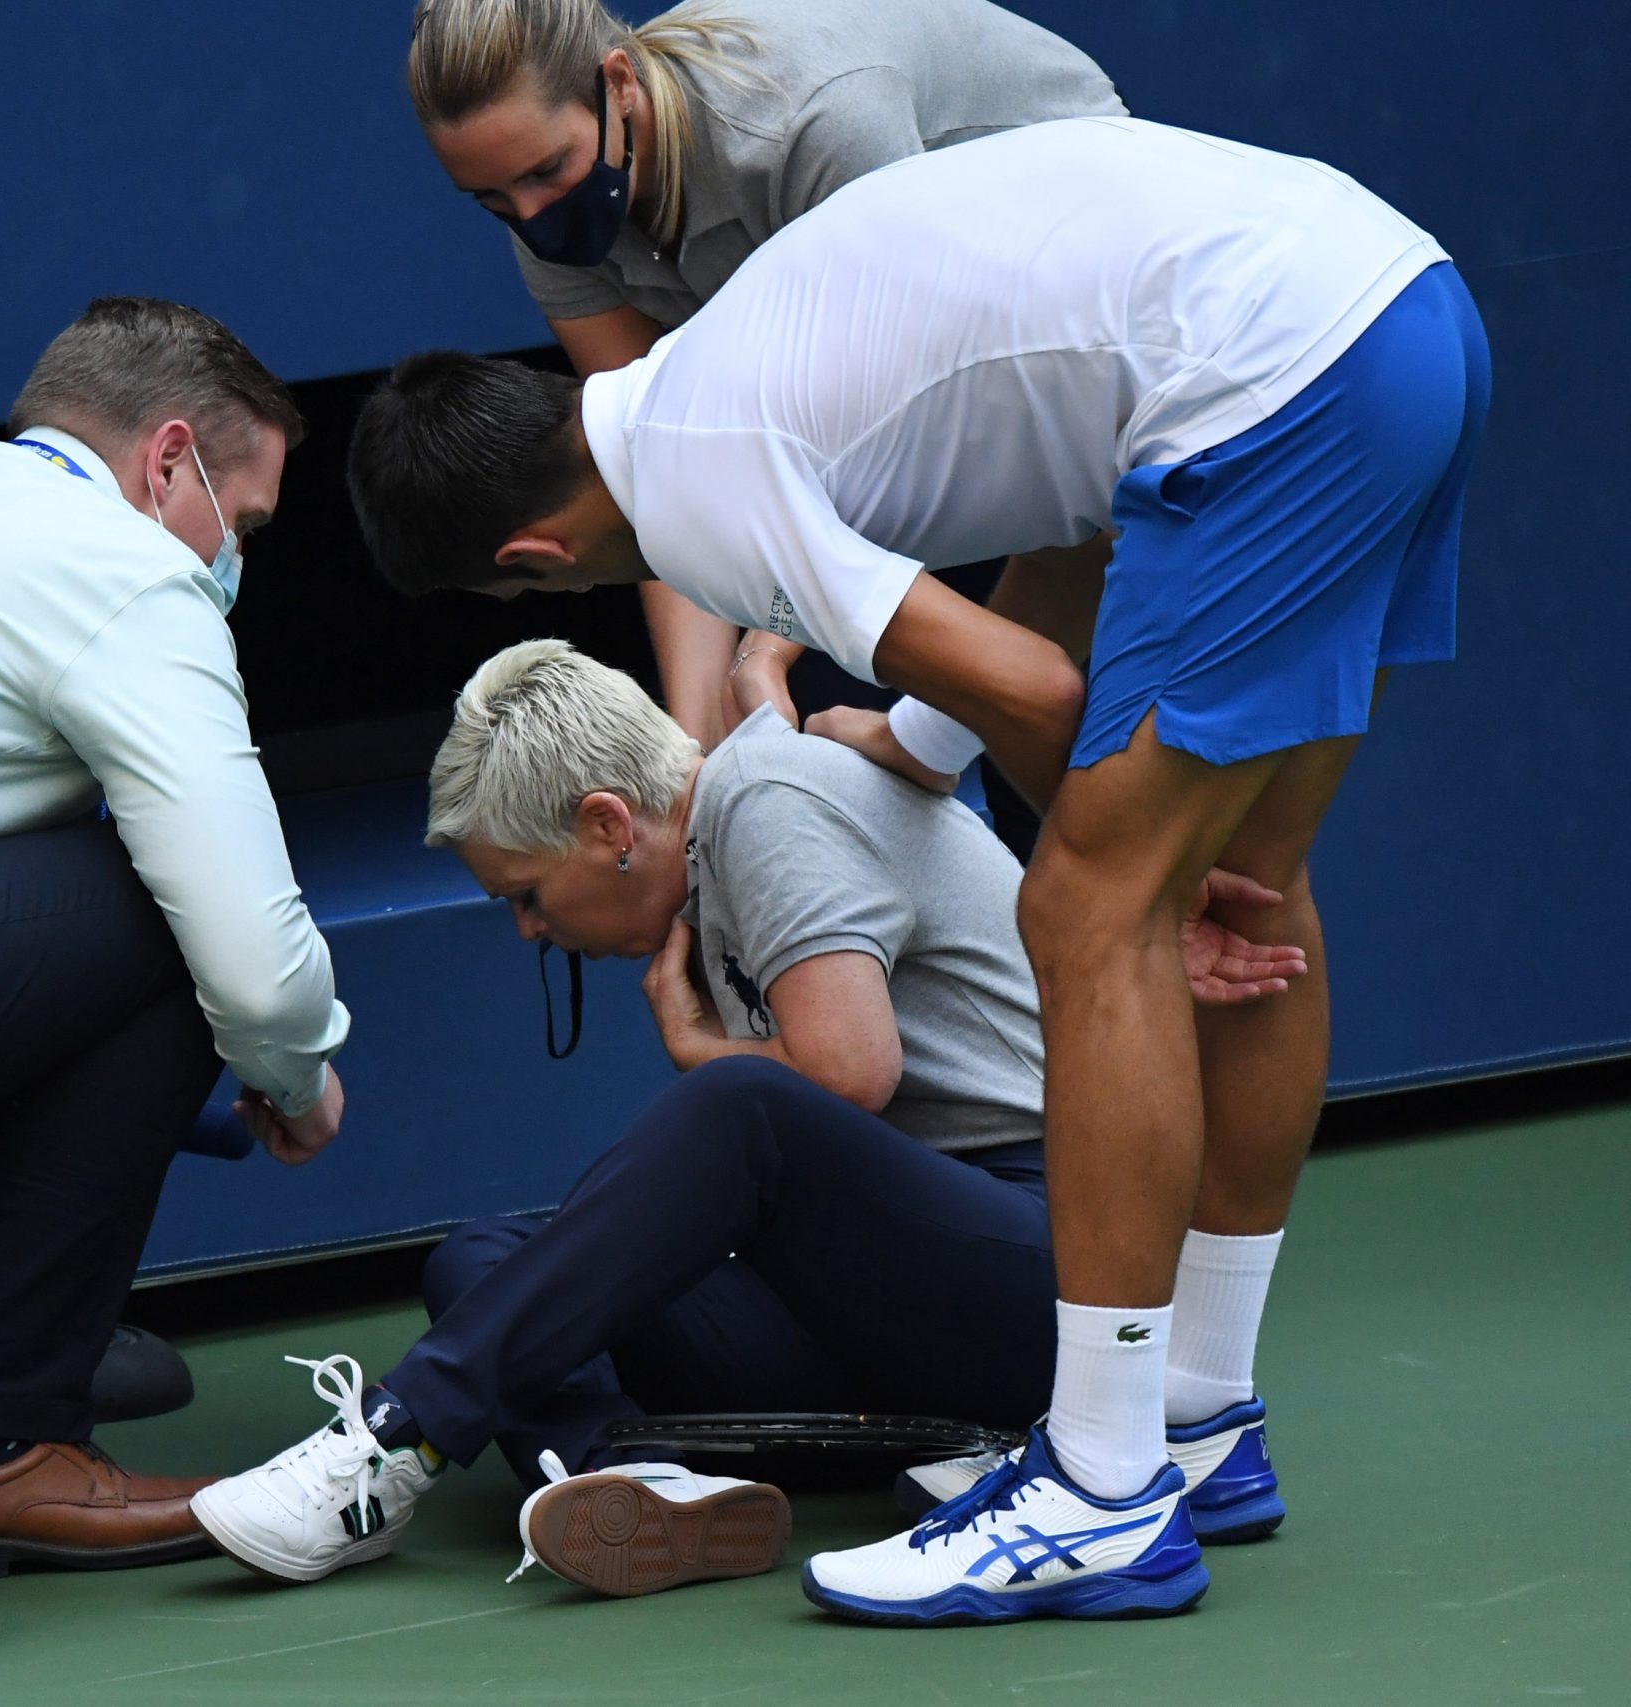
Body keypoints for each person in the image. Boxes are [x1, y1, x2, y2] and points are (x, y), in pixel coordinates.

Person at [345, 116, 1488, 1622]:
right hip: (1397, 306)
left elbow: (1043, 688)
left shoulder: (692, 489)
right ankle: (1198, 1418)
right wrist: (931, 742)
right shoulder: (698, 378)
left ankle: (1099, 1487)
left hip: (1276, 374)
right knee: (1258, 880)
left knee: (1085, 900)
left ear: (534, 562)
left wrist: (1120, 874)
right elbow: (1076, 522)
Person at [186, 641, 1301, 1596]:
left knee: (739, 1103)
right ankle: (645, 1488)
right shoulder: (720, 831)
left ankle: (393, 1442)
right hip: (893, 1310)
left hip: (1051, 1267)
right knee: (485, 1256)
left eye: (525, 893)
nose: (528, 930)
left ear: (608, 822)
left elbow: (849, 1072)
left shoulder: (762, 802)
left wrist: (700, 1051)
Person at [0, 297, 353, 1569]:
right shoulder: (131, 570)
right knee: (172, 915)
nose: (235, 563)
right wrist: (295, 1078)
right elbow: (256, 974)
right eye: (243, 523)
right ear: (166, 462)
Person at [406, 0, 1122, 747]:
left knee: (1043, 717)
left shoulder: (812, 127)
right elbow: (653, 478)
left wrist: (767, 645)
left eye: (548, 169)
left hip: (1085, 288)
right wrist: (693, 749)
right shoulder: (548, 214)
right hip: (922, 394)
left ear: (618, 85)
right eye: (492, 201)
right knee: (785, 717)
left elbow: (900, 431)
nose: (531, 216)